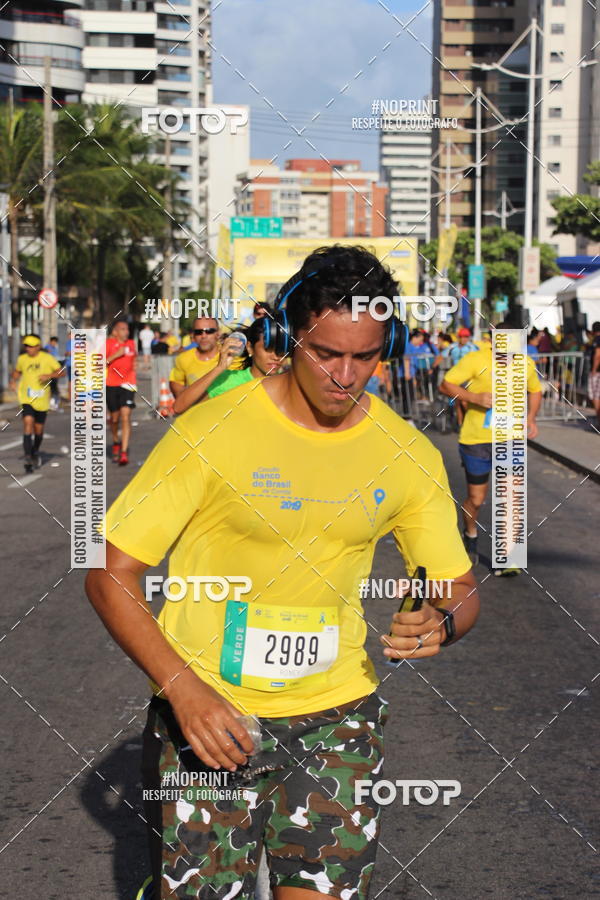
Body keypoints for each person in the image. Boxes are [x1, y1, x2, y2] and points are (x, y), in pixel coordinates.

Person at [86, 243, 479, 900]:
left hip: (335, 716)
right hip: (209, 713)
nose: (345, 375)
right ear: (291, 338)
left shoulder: (404, 453)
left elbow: (459, 585)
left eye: (366, 356)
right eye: (327, 353)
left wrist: (443, 619)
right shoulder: (211, 431)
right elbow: (111, 573)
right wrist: (183, 689)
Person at [439, 321, 542, 574]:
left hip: (509, 438)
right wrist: (475, 398)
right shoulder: (476, 360)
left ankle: (508, 559)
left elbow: (536, 390)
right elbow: (446, 384)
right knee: (477, 499)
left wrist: (531, 418)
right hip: (476, 441)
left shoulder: (525, 363)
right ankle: (470, 533)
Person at [172, 319, 283, 414]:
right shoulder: (228, 380)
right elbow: (179, 407)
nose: (276, 356)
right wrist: (219, 368)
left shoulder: (289, 383)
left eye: (281, 349)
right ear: (249, 348)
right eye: (268, 349)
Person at [10, 334, 63, 473]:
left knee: (38, 431)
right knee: (28, 422)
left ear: (38, 346)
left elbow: (61, 372)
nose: (29, 349)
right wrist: (12, 381)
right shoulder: (22, 359)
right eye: (27, 346)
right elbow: (17, 371)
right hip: (26, 398)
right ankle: (28, 456)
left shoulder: (47, 358)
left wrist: (49, 375)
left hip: (42, 399)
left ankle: (34, 451)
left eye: (32, 346)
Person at [106, 320, 137, 466]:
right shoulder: (108, 344)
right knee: (114, 419)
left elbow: (133, 361)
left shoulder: (131, 343)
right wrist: (115, 355)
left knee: (126, 416)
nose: (126, 332)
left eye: (127, 329)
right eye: (123, 329)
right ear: (115, 332)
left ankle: (123, 452)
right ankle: (116, 441)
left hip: (128, 384)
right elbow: (99, 363)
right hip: (111, 384)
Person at [168, 317, 221, 399]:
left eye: (209, 331)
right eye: (198, 332)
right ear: (193, 335)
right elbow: (177, 387)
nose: (203, 336)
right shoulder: (183, 359)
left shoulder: (230, 356)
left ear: (218, 333)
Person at [587, 320, 600, 431]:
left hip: (598, 372)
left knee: (596, 396)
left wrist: (594, 369)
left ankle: (598, 420)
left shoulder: (597, 339)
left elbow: (597, 355)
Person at [44, 336, 61, 410]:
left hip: (54, 370)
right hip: (48, 371)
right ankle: (49, 403)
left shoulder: (55, 349)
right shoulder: (47, 348)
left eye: (55, 342)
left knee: (54, 387)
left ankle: (53, 402)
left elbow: (56, 358)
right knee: (49, 387)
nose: (54, 344)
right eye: (53, 342)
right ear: (51, 341)